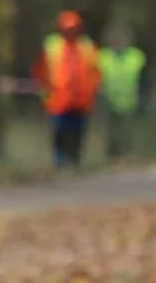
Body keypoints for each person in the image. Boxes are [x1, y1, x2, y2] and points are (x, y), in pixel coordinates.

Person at [33, 11, 101, 169]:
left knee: (78, 133)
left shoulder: (87, 46)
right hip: (59, 100)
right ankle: (60, 163)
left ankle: (76, 161)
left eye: (73, 28)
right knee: (60, 133)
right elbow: (41, 70)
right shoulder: (52, 46)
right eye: (67, 28)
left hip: (82, 100)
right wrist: (44, 89)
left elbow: (95, 72)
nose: (70, 31)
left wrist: (94, 92)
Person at [98, 28, 146, 161]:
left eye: (122, 39)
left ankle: (128, 155)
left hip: (130, 101)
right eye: (115, 40)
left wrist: (143, 97)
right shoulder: (102, 56)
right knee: (111, 132)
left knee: (128, 132)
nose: (119, 43)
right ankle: (112, 157)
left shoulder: (136, 56)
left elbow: (144, 79)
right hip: (108, 101)